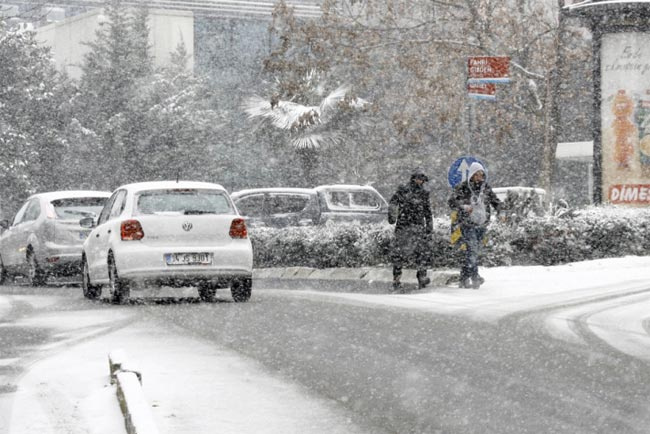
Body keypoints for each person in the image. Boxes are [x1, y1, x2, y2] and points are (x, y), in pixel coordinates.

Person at [448, 162, 502, 289]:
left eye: (481, 174)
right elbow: (451, 201)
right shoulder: (463, 188)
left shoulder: (486, 188)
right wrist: (463, 206)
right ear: (471, 175)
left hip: (481, 225)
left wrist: (501, 210)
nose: (479, 177)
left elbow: (495, 201)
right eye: (477, 174)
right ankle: (475, 277)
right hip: (467, 224)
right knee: (472, 250)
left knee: (473, 252)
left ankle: (463, 277)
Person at [388, 168, 433, 292]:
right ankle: (396, 279)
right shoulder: (403, 190)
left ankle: (422, 276)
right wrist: (392, 216)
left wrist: (429, 227)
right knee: (399, 254)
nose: (420, 181)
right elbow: (393, 202)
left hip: (418, 226)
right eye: (418, 178)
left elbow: (428, 212)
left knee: (421, 252)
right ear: (413, 178)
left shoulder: (424, 193)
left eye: (422, 179)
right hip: (403, 225)